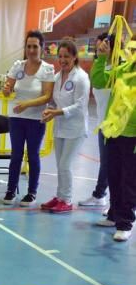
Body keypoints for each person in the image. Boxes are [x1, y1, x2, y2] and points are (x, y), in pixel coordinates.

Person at [90, 34, 136, 241]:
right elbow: (99, 81)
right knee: (114, 177)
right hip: (113, 133)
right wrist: (101, 58)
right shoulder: (121, 71)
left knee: (128, 181)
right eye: (132, 49)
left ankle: (125, 222)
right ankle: (116, 216)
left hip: (132, 137)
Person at [2, 29, 54, 206]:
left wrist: (27, 104)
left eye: (35, 46)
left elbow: (47, 96)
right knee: (16, 155)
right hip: (16, 119)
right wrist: (6, 90)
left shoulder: (47, 69)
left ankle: (31, 192)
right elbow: (7, 89)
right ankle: (10, 190)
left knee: (33, 155)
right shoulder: (17, 66)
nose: (31, 50)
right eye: (28, 46)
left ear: (42, 48)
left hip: (35, 120)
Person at [41, 39, 90, 213]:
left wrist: (57, 112)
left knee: (65, 165)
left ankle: (67, 200)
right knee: (59, 165)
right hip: (60, 127)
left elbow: (80, 105)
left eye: (66, 57)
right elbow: (55, 101)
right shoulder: (57, 76)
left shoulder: (81, 78)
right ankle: (59, 197)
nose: (62, 60)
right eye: (60, 56)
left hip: (75, 129)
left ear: (75, 57)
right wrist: (49, 111)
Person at [78, 32, 114, 208]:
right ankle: (100, 195)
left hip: (116, 127)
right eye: (99, 46)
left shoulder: (116, 70)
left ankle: (106, 199)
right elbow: (97, 80)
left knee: (112, 165)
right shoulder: (100, 66)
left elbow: (99, 82)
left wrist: (103, 60)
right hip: (103, 124)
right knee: (106, 163)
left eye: (104, 45)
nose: (100, 49)